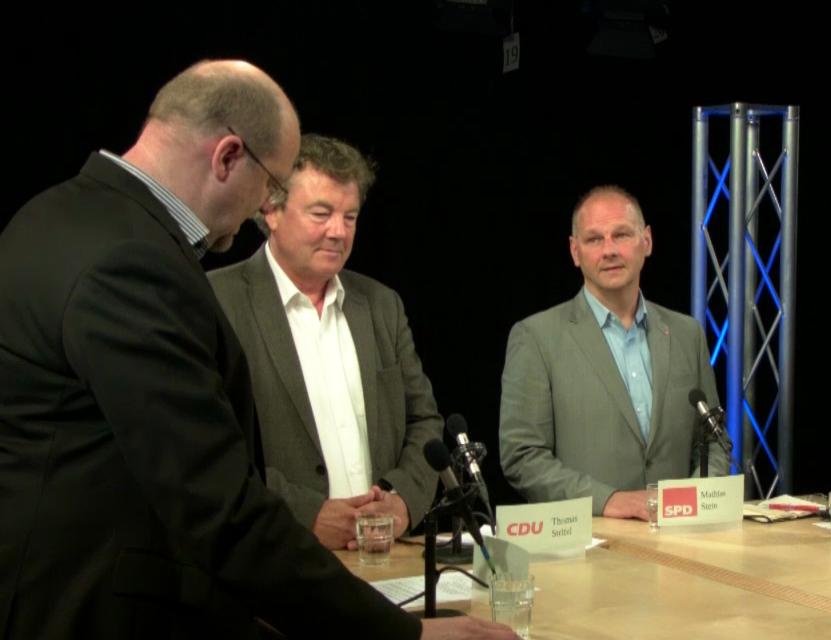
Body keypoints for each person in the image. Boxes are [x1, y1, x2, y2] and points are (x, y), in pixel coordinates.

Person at [0, 60, 516, 640]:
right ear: (227, 157)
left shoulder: (49, 218)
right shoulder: (135, 262)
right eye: (271, 186)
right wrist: (406, 636)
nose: (260, 207)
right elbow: (220, 509)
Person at [208, 133, 444, 551]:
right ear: (271, 210)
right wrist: (306, 515)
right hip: (274, 560)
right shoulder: (217, 301)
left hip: (384, 561)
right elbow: (208, 445)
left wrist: (402, 501)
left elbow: (424, 421)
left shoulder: (381, 305)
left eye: (350, 217)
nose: (339, 231)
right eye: (321, 213)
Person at [499, 185, 729, 520]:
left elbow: (713, 441)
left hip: (681, 536)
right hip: (590, 541)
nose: (609, 250)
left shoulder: (687, 334)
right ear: (575, 251)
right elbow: (522, 456)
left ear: (646, 241)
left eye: (621, 235)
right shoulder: (536, 337)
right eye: (594, 239)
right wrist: (609, 501)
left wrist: (692, 501)